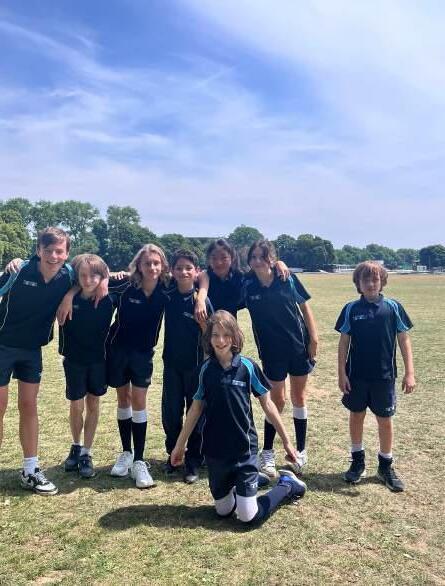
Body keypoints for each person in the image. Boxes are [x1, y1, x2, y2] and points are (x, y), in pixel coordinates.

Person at [171, 310, 306, 524]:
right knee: (223, 511)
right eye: (215, 335)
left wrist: (287, 442)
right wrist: (180, 446)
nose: (221, 341)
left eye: (226, 335)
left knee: (247, 516)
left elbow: (268, 405)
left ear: (235, 336)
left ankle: (287, 485)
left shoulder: (247, 367)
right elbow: (195, 410)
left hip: (244, 450)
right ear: (208, 338)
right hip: (215, 452)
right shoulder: (204, 371)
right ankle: (246, 485)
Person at [0, 227, 74, 495]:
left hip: (31, 350)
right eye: (48, 250)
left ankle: (30, 470)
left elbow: (94, 275)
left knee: (29, 406)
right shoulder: (19, 270)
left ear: (66, 254)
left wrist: (69, 296)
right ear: (38, 250)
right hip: (3, 345)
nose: (54, 256)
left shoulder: (68, 275)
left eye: (59, 251)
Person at [241, 239, 318, 479]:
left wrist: (314, 339)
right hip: (271, 351)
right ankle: (267, 452)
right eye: (253, 257)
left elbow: (304, 307)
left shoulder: (287, 278)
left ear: (271, 259)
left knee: (299, 397)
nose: (257, 261)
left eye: (262, 256)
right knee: (277, 400)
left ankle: (301, 452)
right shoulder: (247, 285)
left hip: (297, 347)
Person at [335, 261, 415, 492]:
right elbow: (343, 343)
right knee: (356, 416)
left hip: (384, 376)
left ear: (382, 282)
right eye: (366, 280)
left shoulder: (393, 307)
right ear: (358, 284)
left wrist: (410, 372)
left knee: (385, 420)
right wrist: (342, 373)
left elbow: (404, 340)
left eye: (375, 279)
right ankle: (357, 461)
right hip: (357, 376)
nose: (371, 283)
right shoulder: (351, 309)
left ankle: (385, 466)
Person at [105, 244, 170, 489]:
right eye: (147, 263)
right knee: (123, 399)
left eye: (156, 263)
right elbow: (93, 278)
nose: (152, 267)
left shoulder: (167, 287)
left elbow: (199, 277)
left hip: (143, 353)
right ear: (139, 266)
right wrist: (110, 274)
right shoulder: (125, 284)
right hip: (118, 349)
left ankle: (140, 461)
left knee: (139, 401)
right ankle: (126, 453)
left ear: (162, 265)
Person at [59, 254, 114, 479]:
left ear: (101, 276)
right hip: (74, 360)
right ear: (76, 277)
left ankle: (86, 452)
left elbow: (132, 276)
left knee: (93, 403)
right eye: (83, 275)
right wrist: (69, 295)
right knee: (76, 405)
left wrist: (106, 279)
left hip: (99, 361)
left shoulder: (109, 296)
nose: (88, 280)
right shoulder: (65, 294)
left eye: (94, 276)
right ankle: (76, 445)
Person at [162, 249, 212, 484]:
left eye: (188, 268)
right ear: (172, 271)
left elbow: (211, 334)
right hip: (172, 365)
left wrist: (201, 306)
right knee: (171, 414)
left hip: (196, 367)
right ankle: (174, 455)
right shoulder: (167, 295)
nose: (183, 272)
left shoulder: (201, 301)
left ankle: (194, 459)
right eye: (179, 268)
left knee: (197, 415)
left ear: (196, 271)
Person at [194, 238, 289, 320]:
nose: (219, 262)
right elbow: (201, 275)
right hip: (205, 331)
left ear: (232, 258)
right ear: (209, 259)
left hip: (229, 332)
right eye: (214, 258)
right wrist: (200, 299)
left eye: (224, 258)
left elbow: (261, 270)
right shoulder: (202, 279)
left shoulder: (241, 279)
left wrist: (278, 263)